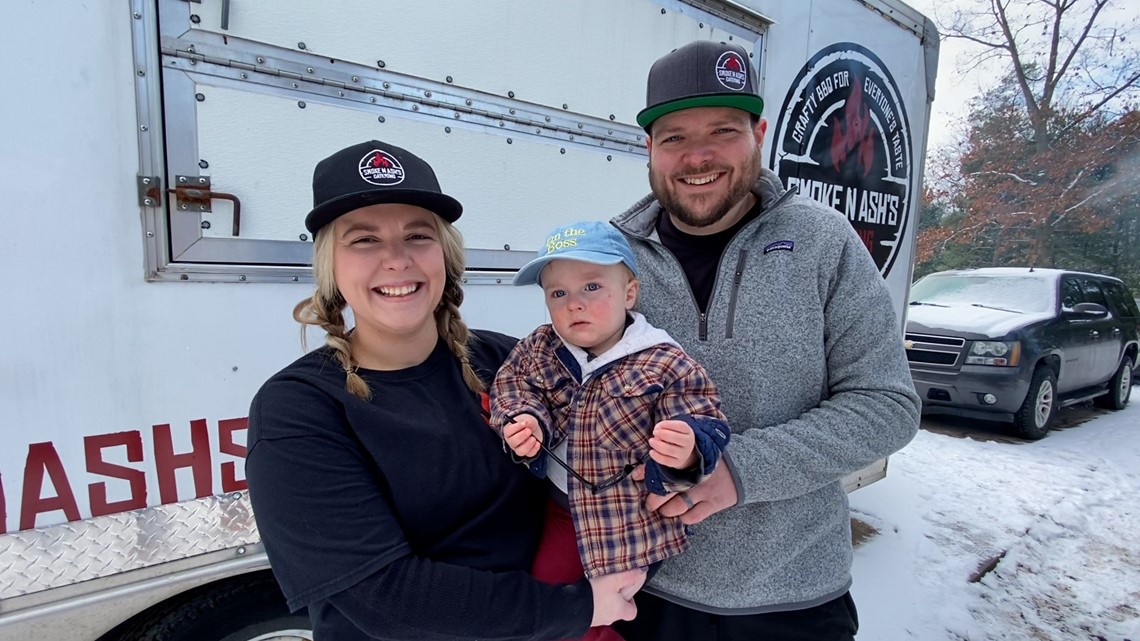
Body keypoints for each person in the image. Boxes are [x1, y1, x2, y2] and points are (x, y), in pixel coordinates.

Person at [245, 140, 646, 641]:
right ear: (330, 266)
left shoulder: (509, 361)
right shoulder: (299, 410)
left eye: (417, 235)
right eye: (363, 240)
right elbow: (387, 600)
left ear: (445, 254)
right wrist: (578, 606)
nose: (396, 260)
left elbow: (606, 447)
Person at [608, 40, 922, 640]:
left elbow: (887, 406)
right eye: (673, 136)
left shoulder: (825, 243)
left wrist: (738, 470)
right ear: (648, 146)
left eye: (722, 130)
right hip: (642, 593)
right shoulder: (611, 257)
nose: (697, 156)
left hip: (793, 599)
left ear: (759, 132)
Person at [489, 221, 731, 640]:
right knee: (552, 592)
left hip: (630, 523)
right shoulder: (540, 348)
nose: (574, 305)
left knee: (613, 598)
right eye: (558, 293)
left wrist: (687, 449)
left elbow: (706, 419)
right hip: (559, 506)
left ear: (629, 293)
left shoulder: (663, 360)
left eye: (592, 288)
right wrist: (524, 421)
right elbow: (512, 387)